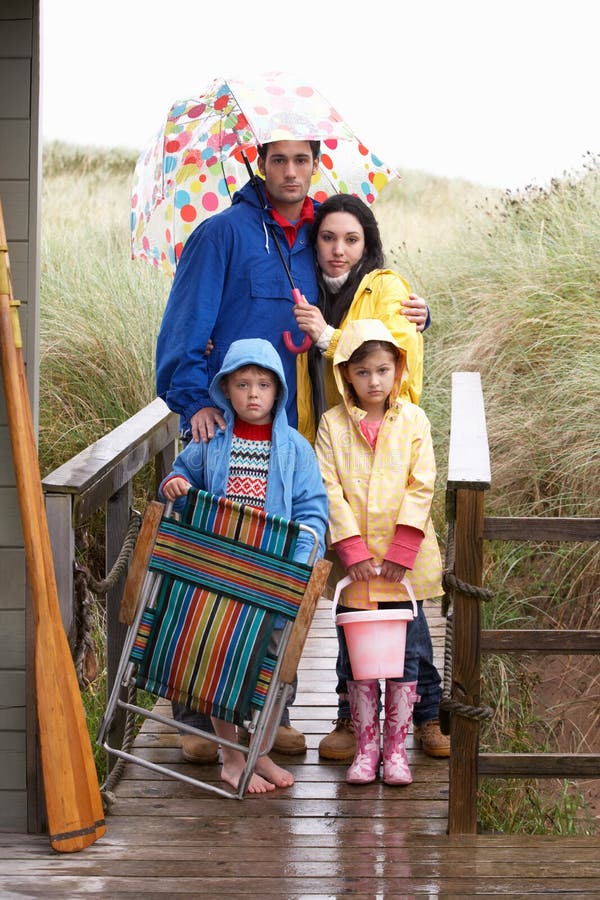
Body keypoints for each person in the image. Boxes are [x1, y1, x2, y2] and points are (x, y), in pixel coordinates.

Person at [155, 139, 428, 760]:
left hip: (289, 439)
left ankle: (268, 712)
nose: (290, 172)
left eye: (301, 160)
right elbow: (183, 329)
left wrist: (418, 314)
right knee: (207, 579)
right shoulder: (222, 234)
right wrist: (194, 401)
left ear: (314, 163)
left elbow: (357, 306)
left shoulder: (313, 238)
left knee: (278, 580)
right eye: (278, 160)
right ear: (260, 164)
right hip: (221, 433)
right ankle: (197, 717)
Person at [293, 193, 450, 761]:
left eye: (351, 239)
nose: (338, 250)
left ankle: (425, 716)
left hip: (391, 490)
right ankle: (349, 717)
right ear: (313, 243)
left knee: (411, 624)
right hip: (337, 463)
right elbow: (328, 483)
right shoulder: (300, 284)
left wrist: (328, 337)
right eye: (328, 238)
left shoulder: (383, 287)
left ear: (368, 243)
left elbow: (399, 345)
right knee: (352, 616)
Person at [159, 338, 328, 792]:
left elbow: (312, 511)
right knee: (219, 663)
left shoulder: (295, 449)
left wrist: (300, 563)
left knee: (273, 666)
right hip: (219, 572)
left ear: (278, 391)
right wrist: (175, 483)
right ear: (225, 389)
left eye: (264, 385)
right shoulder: (212, 440)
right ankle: (232, 756)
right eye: (242, 384)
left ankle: (261, 752)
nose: (253, 394)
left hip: (273, 575)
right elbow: (182, 474)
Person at [314, 318, 444, 785]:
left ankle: (396, 751)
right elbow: (329, 488)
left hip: (401, 567)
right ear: (345, 374)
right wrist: (351, 549)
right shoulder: (331, 425)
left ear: (398, 370)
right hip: (357, 569)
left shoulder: (414, 420)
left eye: (384, 370)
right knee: (359, 657)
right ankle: (366, 749)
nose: (374, 381)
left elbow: (422, 483)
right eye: (363, 371)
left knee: (407, 654)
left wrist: (401, 549)